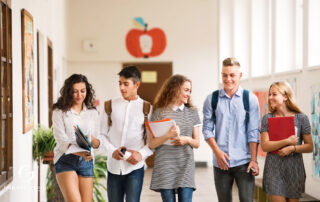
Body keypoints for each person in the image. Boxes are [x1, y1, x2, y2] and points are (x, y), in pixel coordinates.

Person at [202, 57, 260, 202]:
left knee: (247, 200)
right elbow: (207, 129)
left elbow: (253, 131)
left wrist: (254, 160)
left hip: (244, 162)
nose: (228, 79)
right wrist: (217, 152)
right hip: (220, 162)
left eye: (232, 75)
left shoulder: (250, 99)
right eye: (224, 75)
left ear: (240, 76)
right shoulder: (212, 99)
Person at [100, 66, 153, 202]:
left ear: (137, 84)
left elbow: (153, 141)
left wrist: (141, 154)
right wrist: (112, 151)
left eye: (126, 84)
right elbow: (101, 135)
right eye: (120, 83)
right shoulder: (109, 106)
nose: (122, 88)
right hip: (113, 168)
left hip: (135, 168)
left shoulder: (146, 108)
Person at [149, 74, 201, 202]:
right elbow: (151, 144)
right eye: (186, 90)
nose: (189, 94)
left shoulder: (192, 112)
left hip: (185, 164)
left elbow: (197, 143)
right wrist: (168, 135)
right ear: (175, 89)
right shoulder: (158, 112)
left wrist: (186, 140)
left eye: (190, 91)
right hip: (165, 165)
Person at [260, 81, 313, 202]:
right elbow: (265, 146)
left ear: (285, 96)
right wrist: (286, 141)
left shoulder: (301, 118)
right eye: (269, 94)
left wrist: (292, 148)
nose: (270, 98)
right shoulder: (267, 118)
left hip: (294, 170)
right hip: (274, 169)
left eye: (274, 94)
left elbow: (310, 146)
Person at [52, 74, 101, 202]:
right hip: (65, 159)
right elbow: (61, 140)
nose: (79, 95)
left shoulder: (93, 112)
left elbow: (97, 140)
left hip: (86, 161)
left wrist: (94, 142)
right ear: (69, 92)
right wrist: (79, 152)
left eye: (82, 91)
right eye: (75, 91)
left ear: (87, 92)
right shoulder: (59, 111)